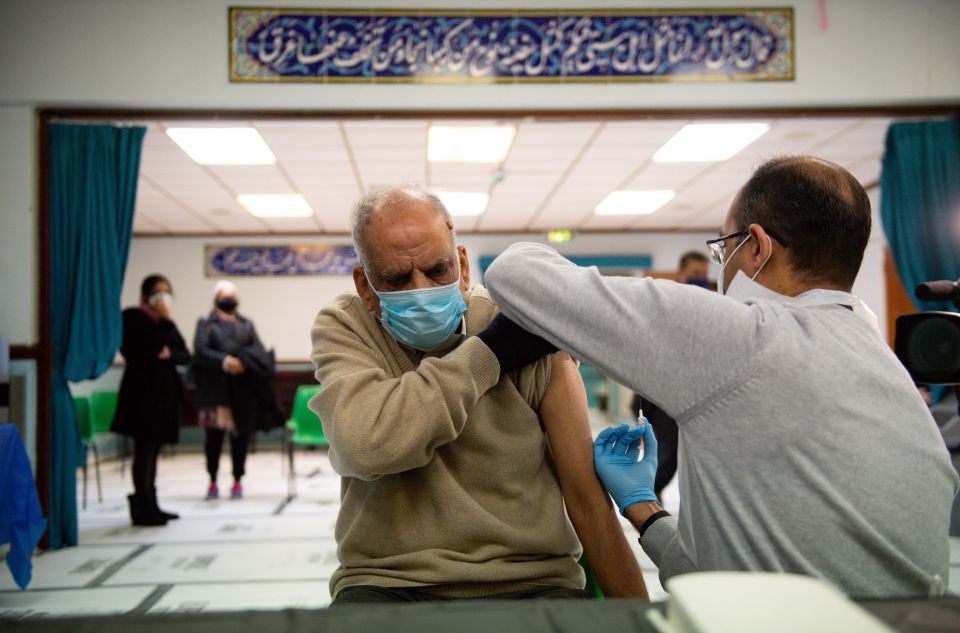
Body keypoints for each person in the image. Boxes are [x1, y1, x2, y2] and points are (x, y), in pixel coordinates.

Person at [484, 156, 960, 598]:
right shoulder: (893, 370)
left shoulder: (743, 336)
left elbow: (515, 274)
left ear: (756, 247)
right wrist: (644, 509)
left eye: (724, 249)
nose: (722, 267)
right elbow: (721, 581)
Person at [309, 185, 645, 605]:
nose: (421, 290)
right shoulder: (348, 327)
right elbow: (366, 445)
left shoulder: (522, 325)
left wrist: (639, 620)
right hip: (388, 582)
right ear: (364, 284)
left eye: (437, 270)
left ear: (464, 266)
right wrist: (489, 354)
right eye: (396, 279)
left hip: (532, 579)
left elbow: (587, 500)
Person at [631, 250, 711, 498]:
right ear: (682, 274)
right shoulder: (664, 303)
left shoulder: (707, 309)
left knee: (677, 454)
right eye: (695, 274)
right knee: (667, 452)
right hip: (660, 394)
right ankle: (647, 496)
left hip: (690, 394)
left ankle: (652, 496)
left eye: (703, 275)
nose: (700, 279)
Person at [112, 274, 190, 527]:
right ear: (146, 295)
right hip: (141, 398)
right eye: (158, 291)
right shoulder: (133, 317)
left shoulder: (166, 322)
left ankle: (153, 504)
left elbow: (184, 354)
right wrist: (163, 332)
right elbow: (143, 350)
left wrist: (167, 349)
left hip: (164, 398)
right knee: (143, 452)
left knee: (154, 451)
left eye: (167, 291)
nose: (163, 296)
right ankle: (142, 508)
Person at [193, 280, 277, 500]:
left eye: (232, 294)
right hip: (214, 393)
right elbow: (200, 350)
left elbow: (257, 350)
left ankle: (237, 480)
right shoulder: (206, 324)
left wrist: (242, 362)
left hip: (241, 393)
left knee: (240, 440)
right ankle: (212, 481)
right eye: (224, 294)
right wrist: (225, 361)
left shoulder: (246, 324)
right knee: (213, 440)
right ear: (216, 298)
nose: (229, 298)